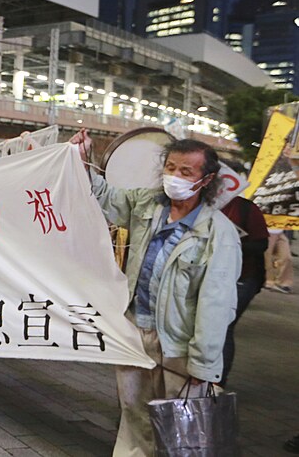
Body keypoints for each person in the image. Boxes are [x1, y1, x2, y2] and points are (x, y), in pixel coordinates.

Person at [70, 129, 241, 457]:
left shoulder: (217, 233)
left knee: (177, 423)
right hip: (136, 332)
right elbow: (103, 196)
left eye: (186, 171)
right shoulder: (147, 204)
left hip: (177, 346)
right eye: (171, 167)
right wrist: (84, 160)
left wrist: (203, 366)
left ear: (205, 181)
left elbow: (216, 303)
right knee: (134, 412)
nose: (175, 176)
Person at [219, 160, 269, 383]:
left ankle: (217, 382)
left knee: (223, 325)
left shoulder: (247, 209)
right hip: (211, 277)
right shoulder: (198, 204)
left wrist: (229, 243)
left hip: (242, 278)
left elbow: (261, 245)